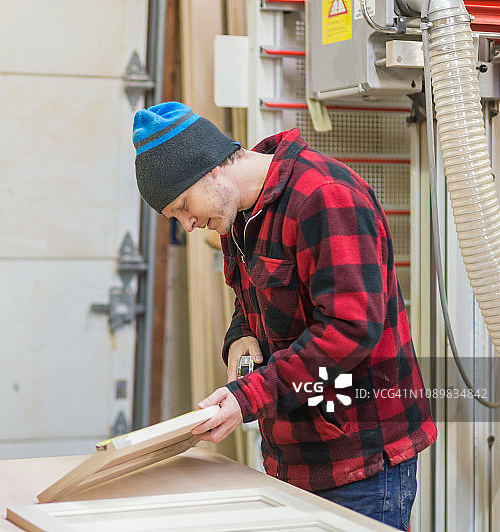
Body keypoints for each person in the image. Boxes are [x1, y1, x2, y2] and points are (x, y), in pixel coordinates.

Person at [132, 101, 437, 530]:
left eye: (183, 205)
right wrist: (238, 337)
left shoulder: (326, 197)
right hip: (292, 458)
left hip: (360, 461)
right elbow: (251, 302)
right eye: (175, 217)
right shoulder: (237, 214)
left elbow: (349, 329)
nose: (188, 224)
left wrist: (249, 396)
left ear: (212, 169)